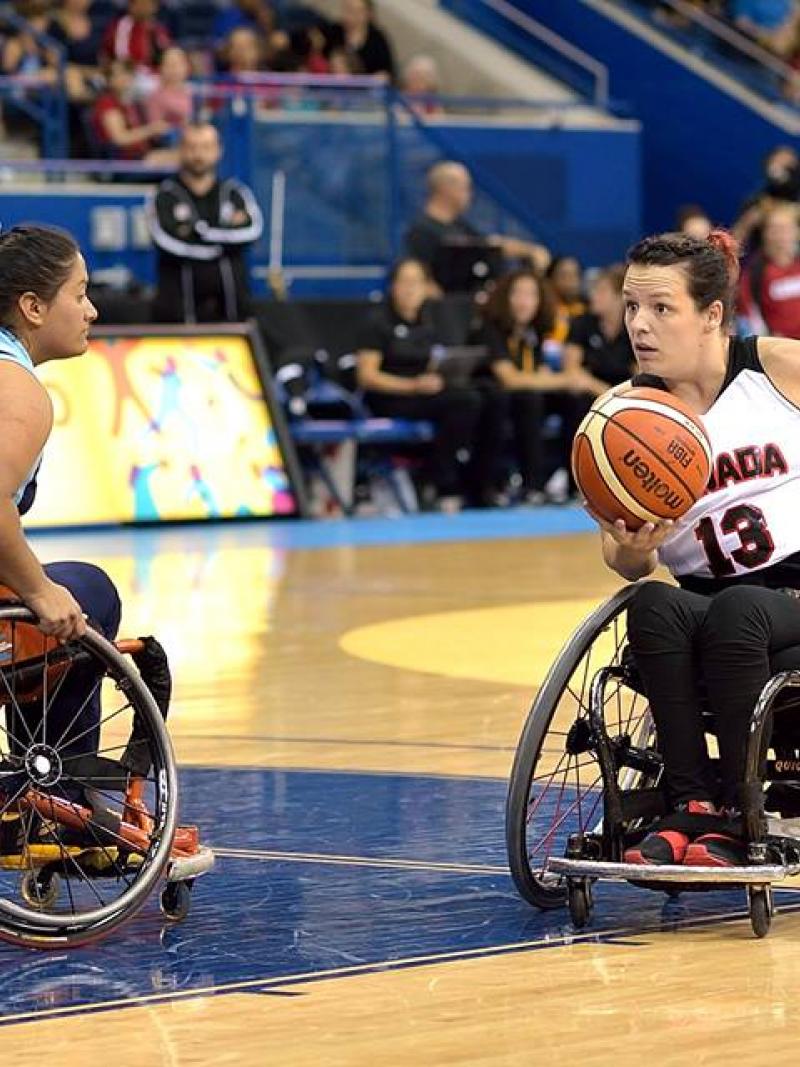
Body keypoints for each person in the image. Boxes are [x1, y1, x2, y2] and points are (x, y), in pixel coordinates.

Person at [591, 228, 800, 868]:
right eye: (631, 307)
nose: (639, 325)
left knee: (741, 607)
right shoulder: (618, 418)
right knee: (649, 604)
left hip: (791, 597)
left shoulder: (777, 368)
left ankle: (744, 811)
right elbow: (625, 562)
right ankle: (692, 805)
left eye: (661, 308)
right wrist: (634, 544)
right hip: (706, 607)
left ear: (712, 314)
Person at [0, 224, 121, 762]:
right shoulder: (18, 390)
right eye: (79, 293)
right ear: (33, 307)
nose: (91, 310)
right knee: (86, 591)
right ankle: (52, 792)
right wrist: (40, 590)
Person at [356, 258, 507, 511]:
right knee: (464, 401)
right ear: (392, 286)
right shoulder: (378, 322)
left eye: (416, 282)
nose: (410, 289)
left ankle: (483, 480)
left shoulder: (429, 321)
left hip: (426, 391)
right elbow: (367, 377)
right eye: (404, 282)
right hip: (391, 396)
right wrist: (413, 385)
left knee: (492, 394)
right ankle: (438, 479)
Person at [473, 269, 592, 504]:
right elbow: (509, 378)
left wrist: (551, 379)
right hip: (493, 400)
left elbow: (534, 373)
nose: (524, 302)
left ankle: (576, 484)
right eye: (518, 294)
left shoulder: (534, 332)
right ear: (505, 297)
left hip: (525, 399)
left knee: (574, 401)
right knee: (529, 399)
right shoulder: (489, 329)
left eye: (531, 295)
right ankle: (530, 485)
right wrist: (563, 379)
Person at [147, 121, 264, 323]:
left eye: (206, 147)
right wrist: (221, 245)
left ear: (219, 151)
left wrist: (201, 232)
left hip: (234, 317)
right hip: (178, 318)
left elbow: (252, 231)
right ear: (181, 150)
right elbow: (166, 240)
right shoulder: (165, 195)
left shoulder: (235, 192)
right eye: (192, 147)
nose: (198, 154)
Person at [405, 161, 550, 294]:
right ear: (447, 189)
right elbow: (423, 280)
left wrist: (529, 250)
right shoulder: (421, 231)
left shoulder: (461, 226)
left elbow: (489, 244)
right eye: (466, 188)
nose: (470, 195)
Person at [562, 265, 635, 398]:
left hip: (625, 396)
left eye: (601, 291)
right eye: (593, 290)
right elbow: (571, 370)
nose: (593, 296)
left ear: (620, 297)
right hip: (590, 394)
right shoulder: (581, 323)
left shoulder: (634, 328)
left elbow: (641, 375)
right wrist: (606, 393)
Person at [90, 58, 175, 163]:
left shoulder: (129, 103)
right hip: (121, 162)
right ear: (109, 80)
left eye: (128, 73)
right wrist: (152, 129)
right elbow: (120, 138)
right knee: (173, 158)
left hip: (139, 156)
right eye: (118, 75)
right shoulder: (107, 104)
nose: (125, 78)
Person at [738, 202, 800, 338]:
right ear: (765, 234)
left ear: (797, 231)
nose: (782, 235)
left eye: (787, 228)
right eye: (775, 229)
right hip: (780, 350)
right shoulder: (754, 275)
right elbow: (750, 319)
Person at [324, 0, 395, 79]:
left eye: (358, 11)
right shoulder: (333, 32)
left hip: (367, 88)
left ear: (369, 14)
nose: (353, 16)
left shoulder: (377, 39)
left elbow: (386, 72)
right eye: (349, 10)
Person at [545, 255, 586, 344]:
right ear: (550, 279)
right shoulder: (542, 312)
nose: (571, 281)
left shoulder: (589, 311)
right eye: (564, 275)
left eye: (575, 275)